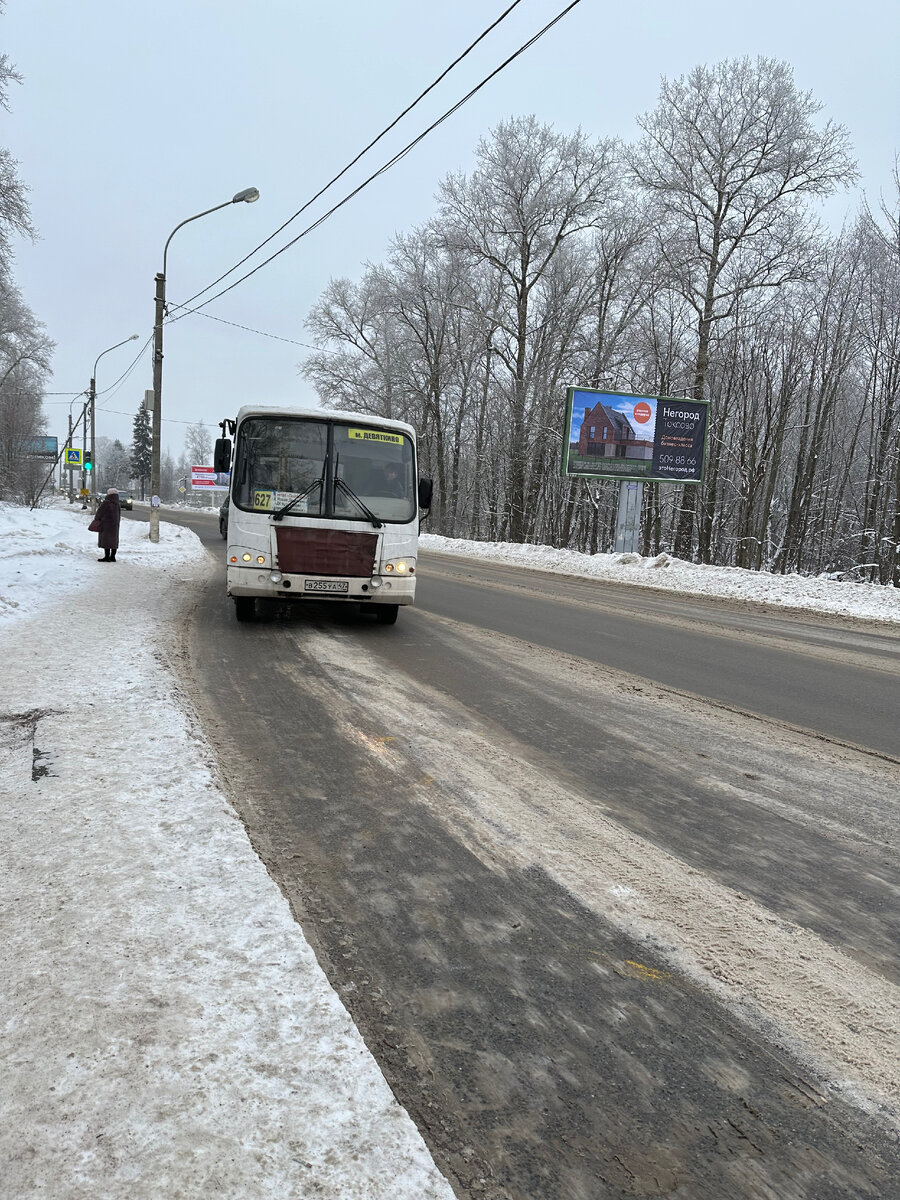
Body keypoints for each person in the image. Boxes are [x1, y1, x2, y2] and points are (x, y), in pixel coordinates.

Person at [95, 487, 121, 562]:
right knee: (113, 540)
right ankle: (113, 557)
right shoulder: (117, 504)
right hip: (115, 525)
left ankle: (107, 557)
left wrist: (97, 519)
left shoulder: (106, 502)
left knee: (106, 540)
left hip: (106, 525)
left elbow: (99, 513)